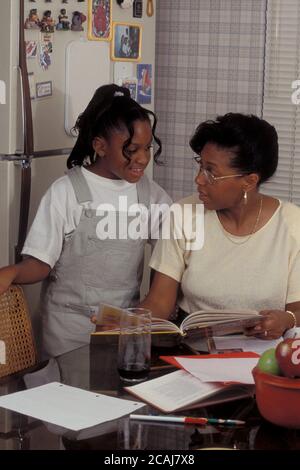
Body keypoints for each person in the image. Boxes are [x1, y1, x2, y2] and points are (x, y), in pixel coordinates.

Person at [0, 84, 171, 358]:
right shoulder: (66, 191)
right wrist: (12, 273)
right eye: (131, 149)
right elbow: (40, 264)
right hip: (66, 333)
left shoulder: (150, 195)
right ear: (100, 146)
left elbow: (171, 258)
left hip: (123, 331)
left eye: (147, 148)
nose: (142, 159)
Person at [139, 113, 300, 339]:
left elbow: (297, 309)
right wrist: (125, 324)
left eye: (211, 172)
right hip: (194, 349)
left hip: (265, 358)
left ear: (249, 181)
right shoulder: (183, 213)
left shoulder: (292, 224)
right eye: (200, 166)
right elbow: (159, 302)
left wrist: (287, 319)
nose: (199, 179)